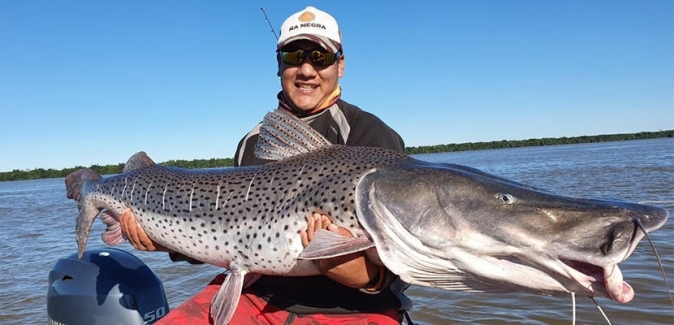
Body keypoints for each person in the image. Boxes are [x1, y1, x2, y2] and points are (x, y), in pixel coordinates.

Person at [119, 6, 412, 325]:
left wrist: (366, 278)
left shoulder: (372, 135)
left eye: (320, 57)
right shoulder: (251, 142)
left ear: (340, 65)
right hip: (257, 294)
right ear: (279, 64)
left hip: (352, 309)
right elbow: (224, 229)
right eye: (294, 55)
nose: (307, 70)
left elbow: (408, 253)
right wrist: (163, 241)